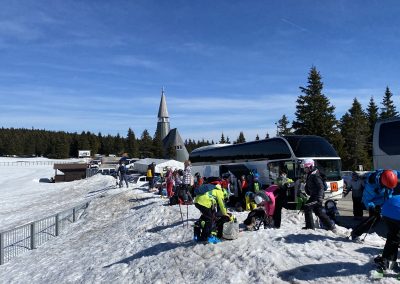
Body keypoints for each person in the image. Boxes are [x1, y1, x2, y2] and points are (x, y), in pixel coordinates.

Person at [351, 169, 398, 240]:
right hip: (375, 204)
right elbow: (367, 200)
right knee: (374, 219)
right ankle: (356, 233)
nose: (390, 189)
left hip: (387, 200)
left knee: (395, 218)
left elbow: (397, 172)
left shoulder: (391, 174)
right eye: (388, 187)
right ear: (383, 183)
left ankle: (395, 238)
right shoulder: (371, 186)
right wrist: (372, 207)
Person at [372, 170, 399, 273]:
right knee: (394, 237)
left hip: (387, 211)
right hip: (395, 211)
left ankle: (387, 261)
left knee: (393, 237)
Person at [301, 159, 336, 231]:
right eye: (304, 168)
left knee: (307, 207)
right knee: (318, 211)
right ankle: (330, 226)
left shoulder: (315, 175)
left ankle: (310, 227)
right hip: (314, 195)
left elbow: (321, 187)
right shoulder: (311, 174)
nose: (304, 169)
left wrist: (319, 197)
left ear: (310, 166)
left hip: (317, 196)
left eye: (305, 168)